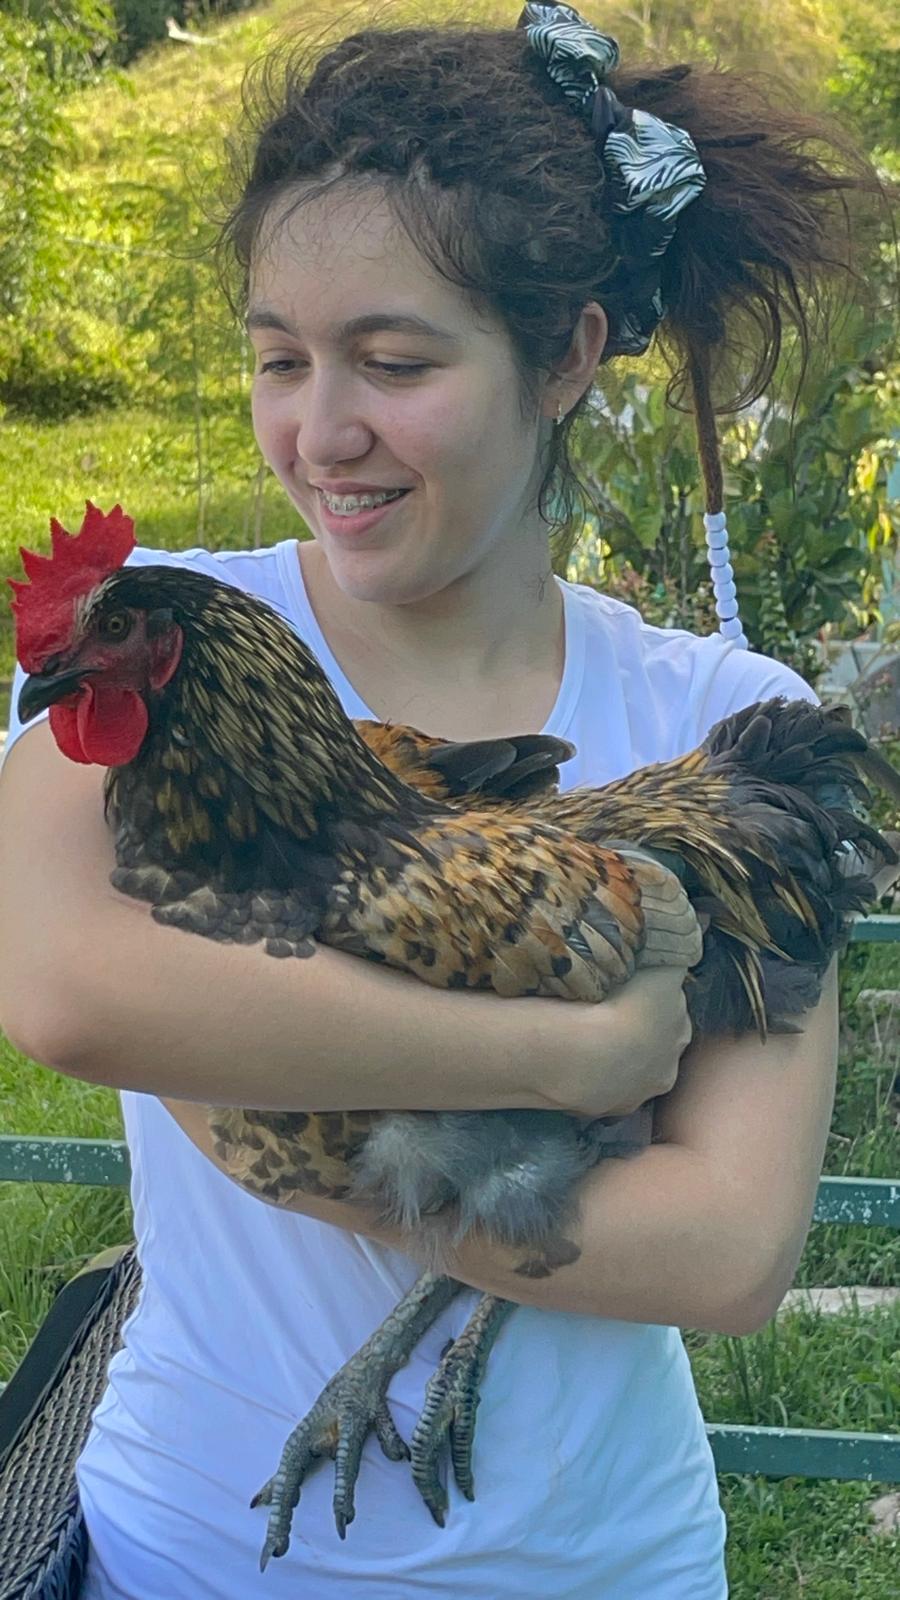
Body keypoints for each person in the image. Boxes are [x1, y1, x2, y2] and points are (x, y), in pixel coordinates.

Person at [0, 5, 886, 1595]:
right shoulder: (179, 635)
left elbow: (730, 1252)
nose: (320, 431)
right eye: (279, 358)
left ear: (565, 356)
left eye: (392, 364)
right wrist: (578, 1054)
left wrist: (272, 1088)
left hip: (602, 1561)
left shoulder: (718, 718)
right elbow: (72, 994)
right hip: (193, 1548)